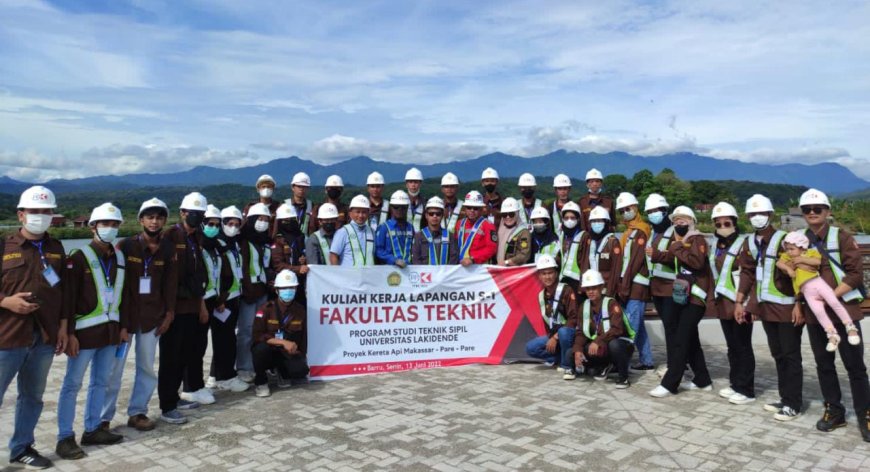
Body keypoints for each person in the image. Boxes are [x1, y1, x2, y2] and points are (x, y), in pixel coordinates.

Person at [1, 186, 67, 469]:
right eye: (35, 211)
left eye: (46, 211)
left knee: (32, 397)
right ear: (21, 214)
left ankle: (21, 448)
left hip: (44, 337)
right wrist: (6, 302)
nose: (41, 216)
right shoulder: (4, 246)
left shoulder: (56, 248)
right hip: (8, 337)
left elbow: (64, 292)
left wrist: (63, 328)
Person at [56, 203, 129, 459]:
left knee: (101, 382)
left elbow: (125, 296)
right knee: (72, 385)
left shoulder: (119, 258)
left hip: (110, 333)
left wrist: (124, 328)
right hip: (83, 336)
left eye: (114, 224)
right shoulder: (78, 257)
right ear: (93, 227)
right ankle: (65, 437)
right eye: (105, 224)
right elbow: (68, 299)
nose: (110, 228)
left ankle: (93, 428)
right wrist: (70, 333)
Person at [797, 189, 869, 440]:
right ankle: (834, 410)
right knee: (824, 364)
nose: (813, 213)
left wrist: (831, 297)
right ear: (803, 214)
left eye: (818, 209)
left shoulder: (842, 236)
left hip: (843, 311)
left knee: (855, 366)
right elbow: (796, 276)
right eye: (807, 210)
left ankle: (865, 414)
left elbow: (855, 274)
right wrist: (799, 304)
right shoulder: (799, 239)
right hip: (816, 314)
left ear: (827, 211)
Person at [102, 198, 177, 435]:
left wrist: (169, 314)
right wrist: (118, 322)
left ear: (164, 220)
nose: (154, 222)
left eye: (159, 217)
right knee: (114, 369)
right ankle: (103, 418)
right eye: (150, 217)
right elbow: (113, 283)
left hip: (152, 319)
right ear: (141, 220)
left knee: (146, 366)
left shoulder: (168, 249)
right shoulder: (125, 246)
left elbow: (170, 286)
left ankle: (138, 412)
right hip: (126, 320)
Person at [736, 194, 803, 421]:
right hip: (767, 309)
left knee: (790, 355)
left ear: (770, 215)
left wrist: (799, 303)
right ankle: (785, 399)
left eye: (761, 213)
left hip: (786, 308)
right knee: (778, 355)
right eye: (753, 214)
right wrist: (741, 301)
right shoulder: (750, 242)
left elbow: (802, 274)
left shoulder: (785, 239)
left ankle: (793, 403)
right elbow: (748, 273)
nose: (757, 217)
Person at [649, 206, 713, 398]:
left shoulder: (697, 239)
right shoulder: (681, 241)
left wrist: (677, 246)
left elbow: (697, 262)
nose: (679, 222)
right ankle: (703, 380)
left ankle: (670, 383)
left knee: (681, 340)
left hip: (696, 297)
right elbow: (671, 257)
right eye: (676, 220)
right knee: (691, 339)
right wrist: (655, 254)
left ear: (692, 220)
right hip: (684, 296)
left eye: (683, 219)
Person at [158, 193, 210, 425]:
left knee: (185, 355)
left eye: (201, 214)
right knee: (170, 357)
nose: (196, 217)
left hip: (192, 305)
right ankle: (167, 405)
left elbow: (199, 275)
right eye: (192, 213)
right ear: (182, 213)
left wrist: (201, 305)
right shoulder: (170, 235)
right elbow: (166, 276)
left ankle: (176, 397)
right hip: (175, 308)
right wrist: (167, 310)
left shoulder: (197, 237)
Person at [707, 202, 756, 405]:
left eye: (726, 222)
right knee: (732, 346)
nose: (722, 225)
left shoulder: (744, 244)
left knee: (743, 346)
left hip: (739, 302)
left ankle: (747, 389)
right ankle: (735, 383)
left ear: (735, 222)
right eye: (718, 223)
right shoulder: (716, 245)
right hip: (723, 303)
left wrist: (745, 302)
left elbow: (749, 273)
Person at [778, 231, 858, 351]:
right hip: (806, 291)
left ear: (801, 247)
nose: (789, 251)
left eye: (791, 249)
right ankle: (832, 334)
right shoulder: (787, 256)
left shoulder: (810, 252)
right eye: (787, 249)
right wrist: (789, 269)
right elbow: (779, 263)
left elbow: (817, 262)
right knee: (819, 312)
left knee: (834, 302)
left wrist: (800, 260)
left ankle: (850, 327)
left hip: (817, 283)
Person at [180, 205, 224, 406]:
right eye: (209, 224)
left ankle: (197, 385)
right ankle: (190, 388)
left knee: (201, 345)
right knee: (193, 346)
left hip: (211, 298)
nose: (213, 227)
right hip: (199, 300)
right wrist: (202, 304)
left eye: (217, 224)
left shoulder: (215, 246)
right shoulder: (197, 245)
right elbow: (195, 277)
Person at [204, 206, 249, 393]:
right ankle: (226, 377)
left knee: (225, 336)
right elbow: (219, 274)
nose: (233, 227)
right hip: (223, 300)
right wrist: (220, 299)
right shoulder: (219, 244)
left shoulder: (234, 243)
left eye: (236, 224)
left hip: (234, 296)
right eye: (229, 223)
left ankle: (215, 375)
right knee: (224, 338)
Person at [250, 270, 309, 398]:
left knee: (301, 371)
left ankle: (282, 373)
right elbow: (257, 336)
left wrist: (301, 358)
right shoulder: (266, 309)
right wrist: (283, 342)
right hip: (268, 352)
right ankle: (261, 382)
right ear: (277, 290)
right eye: (284, 288)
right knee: (260, 349)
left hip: (285, 354)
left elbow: (303, 338)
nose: (288, 290)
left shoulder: (300, 310)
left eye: (291, 287)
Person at [572, 270, 634, 388]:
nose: (590, 291)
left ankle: (623, 378)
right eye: (588, 288)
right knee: (573, 353)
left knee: (614, 345)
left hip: (621, 343)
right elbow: (581, 332)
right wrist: (577, 350)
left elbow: (617, 329)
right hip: (602, 344)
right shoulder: (584, 306)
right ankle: (604, 366)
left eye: (594, 288)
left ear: (601, 287)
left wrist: (597, 341)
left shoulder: (611, 304)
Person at [614, 192, 654, 372]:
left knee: (631, 327)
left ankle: (621, 362)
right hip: (629, 283)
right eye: (622, 210)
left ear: (636, 208)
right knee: (639, 325)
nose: (625, 212)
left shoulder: (641, 230)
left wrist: (625, 285)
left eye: (627, 209)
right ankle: (647, 360)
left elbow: (635, 261)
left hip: (636, 285)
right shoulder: (628, 232)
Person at [236, 202, 273, 384]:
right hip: (249, 293)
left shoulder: (264, 241)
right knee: (246, 331)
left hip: (262, 291)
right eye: (259, 219)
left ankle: (259, 365)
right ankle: (243, 366)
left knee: (261, 330)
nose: (263, 223)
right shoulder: (243, 240)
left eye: (266, 219)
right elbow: (243, 267)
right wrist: (247, 289)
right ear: (250, 220)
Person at [525, 255, 578, 380]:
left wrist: (555, 337)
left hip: (569, 334)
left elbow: (574, 319)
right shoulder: (541, 295)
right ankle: (560, 358)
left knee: (564, 332)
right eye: (544, 273)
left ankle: (567, 365)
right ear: (539, 276)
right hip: (554, 334)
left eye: (550, 273)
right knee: (531, 348)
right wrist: (551, 337)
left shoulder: (566, 290)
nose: (547, 277)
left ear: (556, 273)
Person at [643, 193, 677, 379]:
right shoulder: (653, 233)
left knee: (672, 328)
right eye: (650, 211)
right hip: (657, 288)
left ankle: (675, 364)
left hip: (671, 288)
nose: (653, 214)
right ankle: (676, 361)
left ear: (665, 211)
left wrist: (656, 255)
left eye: (657, 210)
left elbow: (677, 258)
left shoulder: (673, 232)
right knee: (668, 327)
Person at [581, 206, 620, 298]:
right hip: (591, 289)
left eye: (599, 221)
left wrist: (610, 292)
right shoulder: (590, 241)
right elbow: (585, 265)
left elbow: (616, 269)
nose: (596, 224)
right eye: (593, 221)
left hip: (606, 289)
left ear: (606, 223)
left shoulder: (612, 241)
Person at [411, 197, 459, 265]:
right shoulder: (419, 236)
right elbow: (416, 259)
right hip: (425, 274)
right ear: (426, 215)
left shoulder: (450, 236)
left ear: (442, 215)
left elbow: (454, 258)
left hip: (445, 274)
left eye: (438, 214)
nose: (434, 216)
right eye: (431, 214)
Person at [330, 195, 375, 267]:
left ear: (368, 213)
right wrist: (337, 274)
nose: (361, 215)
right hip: (348, 276)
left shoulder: (372, 232)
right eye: (357, 212)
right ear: (350, 213)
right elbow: (333, 256)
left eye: (364, 212)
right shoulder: (343, 232)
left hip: (368, 276)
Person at [455, 191, 498, 266]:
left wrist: (473, 259)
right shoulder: (459, 224)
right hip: (460, 266)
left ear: (481, 209)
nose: (472, 211)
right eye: (469, 208)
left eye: (475, 208)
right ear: (465, 209)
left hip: (479, 268)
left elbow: (491, 248)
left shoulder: (488, 225)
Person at [271, 203, 308, 284]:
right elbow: (278, 265)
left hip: (301, 280)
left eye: (292, 219)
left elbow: (303, 255)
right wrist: (298, 268)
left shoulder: (300, 237)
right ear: (279, 222)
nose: (289, 222)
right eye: (285, 220)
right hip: (285, 281)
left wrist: (303, 259)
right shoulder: (276, 240)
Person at [376, 191, 415, 267]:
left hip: (409, 270)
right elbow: (378, 250)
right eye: (396, 207)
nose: (399, 210)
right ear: (391, 207)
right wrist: (393, 260)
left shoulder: (410, 228)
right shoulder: (384, 228)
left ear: (407, 208)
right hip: (390, 270)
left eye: (403, 207)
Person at [557, 202, 587, 291]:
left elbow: (585, 263)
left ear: (578, 219)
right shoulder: (562, 235)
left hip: (577, 281)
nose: (569, 220)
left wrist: (583, 285)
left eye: (572, 218)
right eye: (566, 218)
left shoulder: (584, 236)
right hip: (563, 279)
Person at [495, 198, 531, 266]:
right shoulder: (500, 229)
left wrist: (507, 262)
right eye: (504, 215)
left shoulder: (523, 232)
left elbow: (525, 254)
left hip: (514, 270)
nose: (508, 217)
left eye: (511, 214)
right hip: (499, 268)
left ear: (517, 213)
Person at [577, 168, 615, 232]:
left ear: (601, 183)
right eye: (591, 181)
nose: (594, 184)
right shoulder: (582, 202)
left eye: (597, 181)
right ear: (587, 184)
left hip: (605, 237)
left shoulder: (608, 201)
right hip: (588, 238)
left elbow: (613, 223)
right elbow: (581, 224)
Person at [285, 172, 313, 237]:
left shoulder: (311, 206)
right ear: (293, 187)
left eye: (304, 187)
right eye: (299, 186)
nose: (301, 189)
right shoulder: (285, 205)